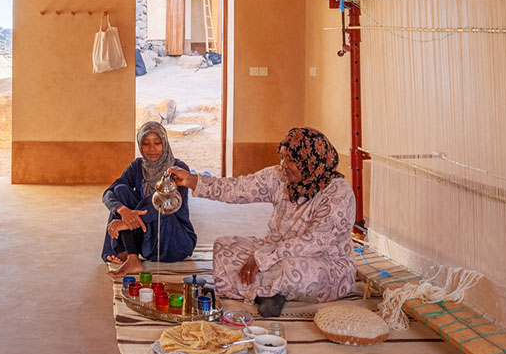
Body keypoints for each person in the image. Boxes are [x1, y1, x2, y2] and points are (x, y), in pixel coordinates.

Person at [168, 126, 355, 317]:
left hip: (324, 262)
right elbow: (237, 188)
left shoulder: (338, 193)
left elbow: (315, 242)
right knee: (224, 248)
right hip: (275, 250)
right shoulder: (279, 177)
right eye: (282, 157)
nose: (283, 164)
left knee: (290, 269)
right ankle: (268, 294)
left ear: (310, 159)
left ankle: (265, 291)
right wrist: (192, 180)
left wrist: (262, 258)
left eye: (291, 159)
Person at [102, 121, 198, 276]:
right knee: (121, 191)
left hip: (173, 239)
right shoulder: (138, 166)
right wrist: (123, 210)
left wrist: (126, 223)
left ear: (165, 143)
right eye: (146, 144)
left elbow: (168, 205)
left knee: (159, 199)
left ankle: (127, 247)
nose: (152, 149)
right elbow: (108, 193)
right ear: (140, 145)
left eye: (157, 143)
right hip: (147, 236)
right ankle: (132, 256)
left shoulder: (177, 169)